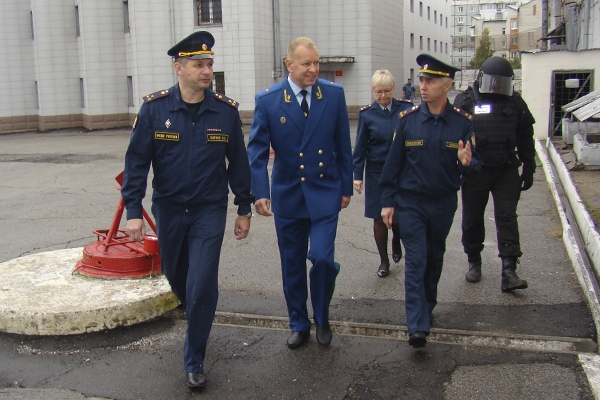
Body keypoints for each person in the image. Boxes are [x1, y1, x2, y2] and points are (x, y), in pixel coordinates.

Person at [121, 31, 254, 390]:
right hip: (168, 209)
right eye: (199, 64)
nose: (207, 70)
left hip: (208, 209)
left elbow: (239, 163)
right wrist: (134, 209)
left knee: (202, 281)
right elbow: (136, 164)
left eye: (210, 64)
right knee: (177, 274)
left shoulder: (225, 112)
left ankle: (194, 356)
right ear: (179, 68)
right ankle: (194, 308)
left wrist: (244, 206)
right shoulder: (154, 109)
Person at [247, 37, 353, 349]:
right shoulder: (269, 100)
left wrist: (346, 186)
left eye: (316, 62)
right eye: (306, 63)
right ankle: (298, 322)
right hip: (289, 193)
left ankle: (322, 316)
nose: (313, 69)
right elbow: (256, 151)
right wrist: (260, 191)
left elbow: (343, 146)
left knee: (321, 258)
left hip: (325, 191)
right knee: (291, 263)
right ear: (289, 65)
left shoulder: (332, 95)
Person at [379, 54, 481, 348]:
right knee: (416, 259)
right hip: (411, 203)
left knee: (434, 258)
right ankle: (417, 325)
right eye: (422, 80)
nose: (423, 86)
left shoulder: (462, 124)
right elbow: (393, 166)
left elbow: (476, 165)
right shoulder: (408, 122)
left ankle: (428, 306)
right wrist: (388, 202)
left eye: (431, 81)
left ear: (446, 85)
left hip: (443, 202)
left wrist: (466, 163)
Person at [453, 56, 535, 292]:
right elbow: (453, 137)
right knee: (472, 219)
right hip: (476, 170)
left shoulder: (515, 102)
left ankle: (509, 270)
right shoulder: (466, 101)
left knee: (507, 217)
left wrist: (529, 166)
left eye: (502, 83)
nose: (497, 88)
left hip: (505, 169)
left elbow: (525, 137)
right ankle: (474, 261)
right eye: (493, 82)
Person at [353, 70, 412, 278]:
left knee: (397, 216)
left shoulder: (406, 110)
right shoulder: (367, 114)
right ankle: (384, 260)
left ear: (394, 90)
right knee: (379, 218)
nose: (383, 96)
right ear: (373, 91)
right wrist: (357, 175)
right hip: (377, 171)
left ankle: (397, 239)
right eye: (378, 92)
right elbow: (360, 147)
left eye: (386, 91)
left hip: (401, 170)